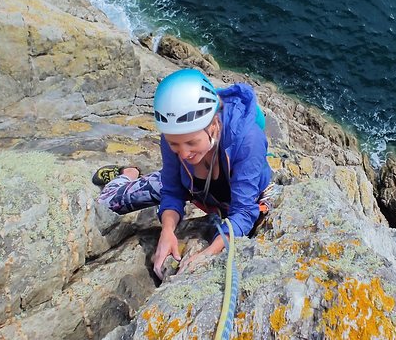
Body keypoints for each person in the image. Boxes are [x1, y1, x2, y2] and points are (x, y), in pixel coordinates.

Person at [93, 68, 273, 279]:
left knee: (249, 227)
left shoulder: (246, 141)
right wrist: (167, 231)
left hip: (243, 196)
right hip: (194, 188)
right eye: (175, 145)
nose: (184, 153)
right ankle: (128, 173)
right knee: (109, 202)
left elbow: (243, 212)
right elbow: (172, 191)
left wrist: (207, 253)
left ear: (214, 125)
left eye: (191, 142)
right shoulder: (173, 136)